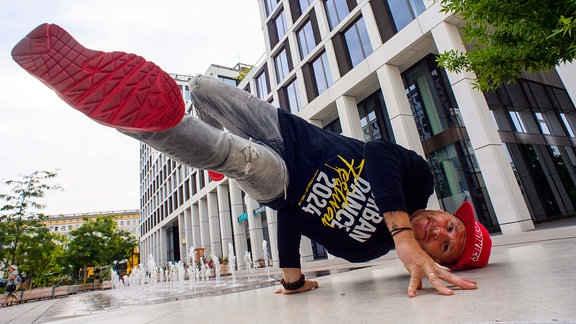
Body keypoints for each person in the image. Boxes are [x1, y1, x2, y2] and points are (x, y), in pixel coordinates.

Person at [11, 23, 492, 298]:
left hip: (279, 178)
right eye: (452, 225)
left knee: (235, 156)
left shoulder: (364, 250)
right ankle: (175, 125)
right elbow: (378, 153)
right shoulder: (418, 179)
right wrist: (402, 233)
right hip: (287, 129)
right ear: (446, 212)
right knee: (203, 87)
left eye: (446, 247)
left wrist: (293, 276)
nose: (441, 233)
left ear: (434, 262)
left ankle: (112, 108)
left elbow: (297, 218)